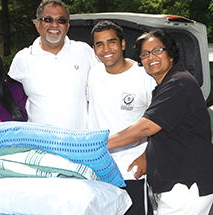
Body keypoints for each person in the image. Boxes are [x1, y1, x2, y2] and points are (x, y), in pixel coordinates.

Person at [107, 29, 213, 214]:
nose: (151, 57)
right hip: (177, 184)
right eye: (145, 54)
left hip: (187, 184)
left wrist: (97, 144)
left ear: (171, 54)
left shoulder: (178, 84)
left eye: (157, 50)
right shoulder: (165, 86)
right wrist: (147, 156)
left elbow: (144, 129)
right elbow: (166, 131)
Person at [88, 20, 156, 215]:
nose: (106, 49)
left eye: (111, 42)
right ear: (94, 49)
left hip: (132, 170)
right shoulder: (93, 74)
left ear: (123, 44)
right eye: (99, 44)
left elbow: (160, 124)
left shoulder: (143, 77)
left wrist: (146, 156)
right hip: (99, 170)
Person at [8, 0, 98, 129]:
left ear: (67, 27)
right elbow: (8, 99)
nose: (54, 25)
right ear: (37, 25)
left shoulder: (84, 51)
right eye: (48, 19)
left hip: (79, 143)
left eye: (61, 20)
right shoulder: (23, 59)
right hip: (39, 145)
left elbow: (106, 81)